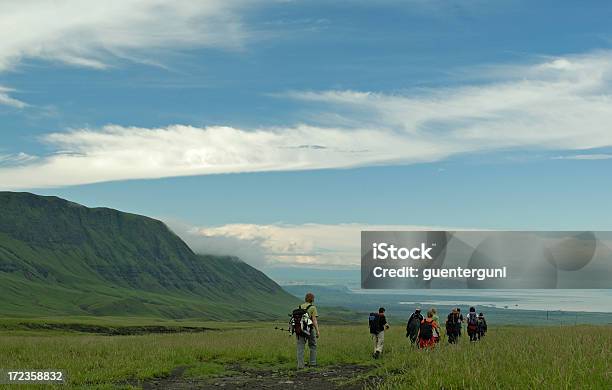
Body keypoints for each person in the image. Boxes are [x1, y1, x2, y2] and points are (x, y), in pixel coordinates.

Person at [296, 292, 320, 369]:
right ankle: (313, 363)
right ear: (312, 299)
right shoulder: (313, 307)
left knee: (300, 347)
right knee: (313, 345)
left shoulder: (300, 306)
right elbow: (314, 320)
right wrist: (317, 331)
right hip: (309, 329)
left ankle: (300, 365)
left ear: (305, 298)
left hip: (300, 329)